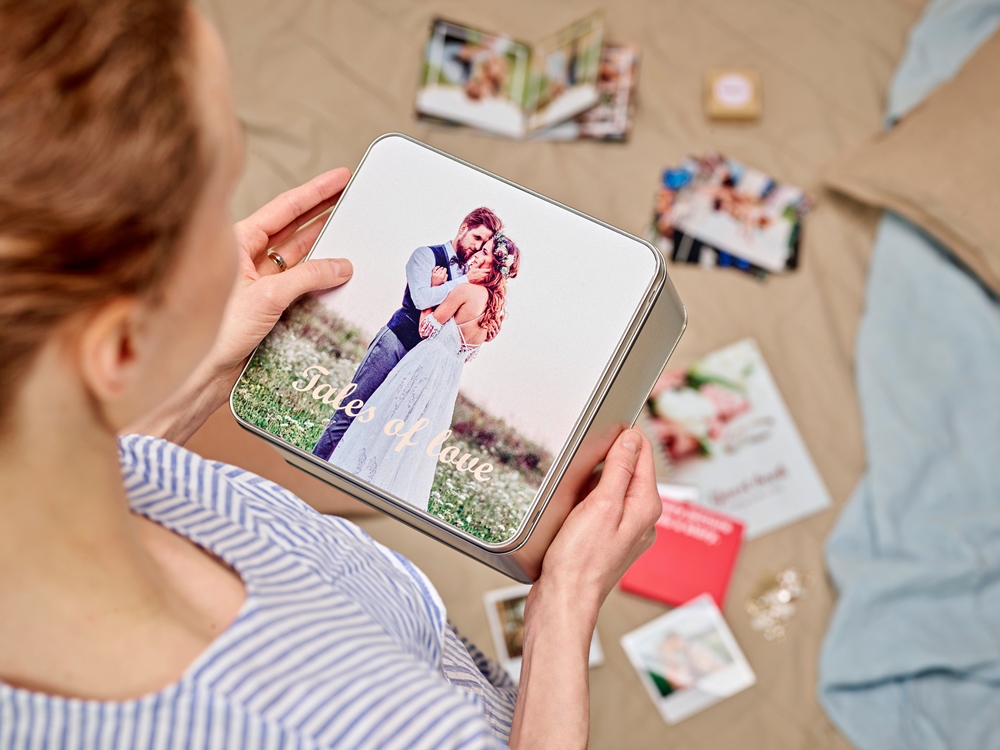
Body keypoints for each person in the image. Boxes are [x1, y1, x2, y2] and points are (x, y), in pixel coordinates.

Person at [0, 2, 661, 748]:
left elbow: (115, 477)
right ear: (119, 348)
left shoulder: (72, 477)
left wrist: (197, 381)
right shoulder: (358, 729)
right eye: (215, 203)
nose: (247, 240)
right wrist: (563, 607)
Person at [330, 236, 520, 509]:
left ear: (494, 264)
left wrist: (434, 288)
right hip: (444, 383)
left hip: (422, 365)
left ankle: (353, 477)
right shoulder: (493, 312)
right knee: (410, 440)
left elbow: (425, 329)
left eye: (485, 252)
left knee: (385, 419)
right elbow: (463, 354)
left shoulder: (465, 291)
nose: (477, 255)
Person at [311, 207, 502, 461]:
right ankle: (315, 463)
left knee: (382, 428)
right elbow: (421, 297)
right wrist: (460, 281)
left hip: (418, 364)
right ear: (464, 228)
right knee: (351, 410)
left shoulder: (472, 279)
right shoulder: (425, 256)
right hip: (395, 342)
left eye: (484, 246)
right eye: (477, 239)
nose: (478, 249)